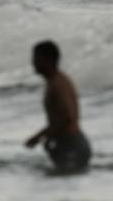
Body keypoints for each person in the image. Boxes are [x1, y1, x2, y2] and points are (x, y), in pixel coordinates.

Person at [25, 40, 92, 173]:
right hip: (69, 143)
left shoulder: (58, 84)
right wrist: (40, 137)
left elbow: (68, 117)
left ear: (47, 60)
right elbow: (61, 119)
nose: (33, 62)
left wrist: (44, 137)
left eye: (36, 58)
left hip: (71, 144)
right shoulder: (55, 81)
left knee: (64, 182)